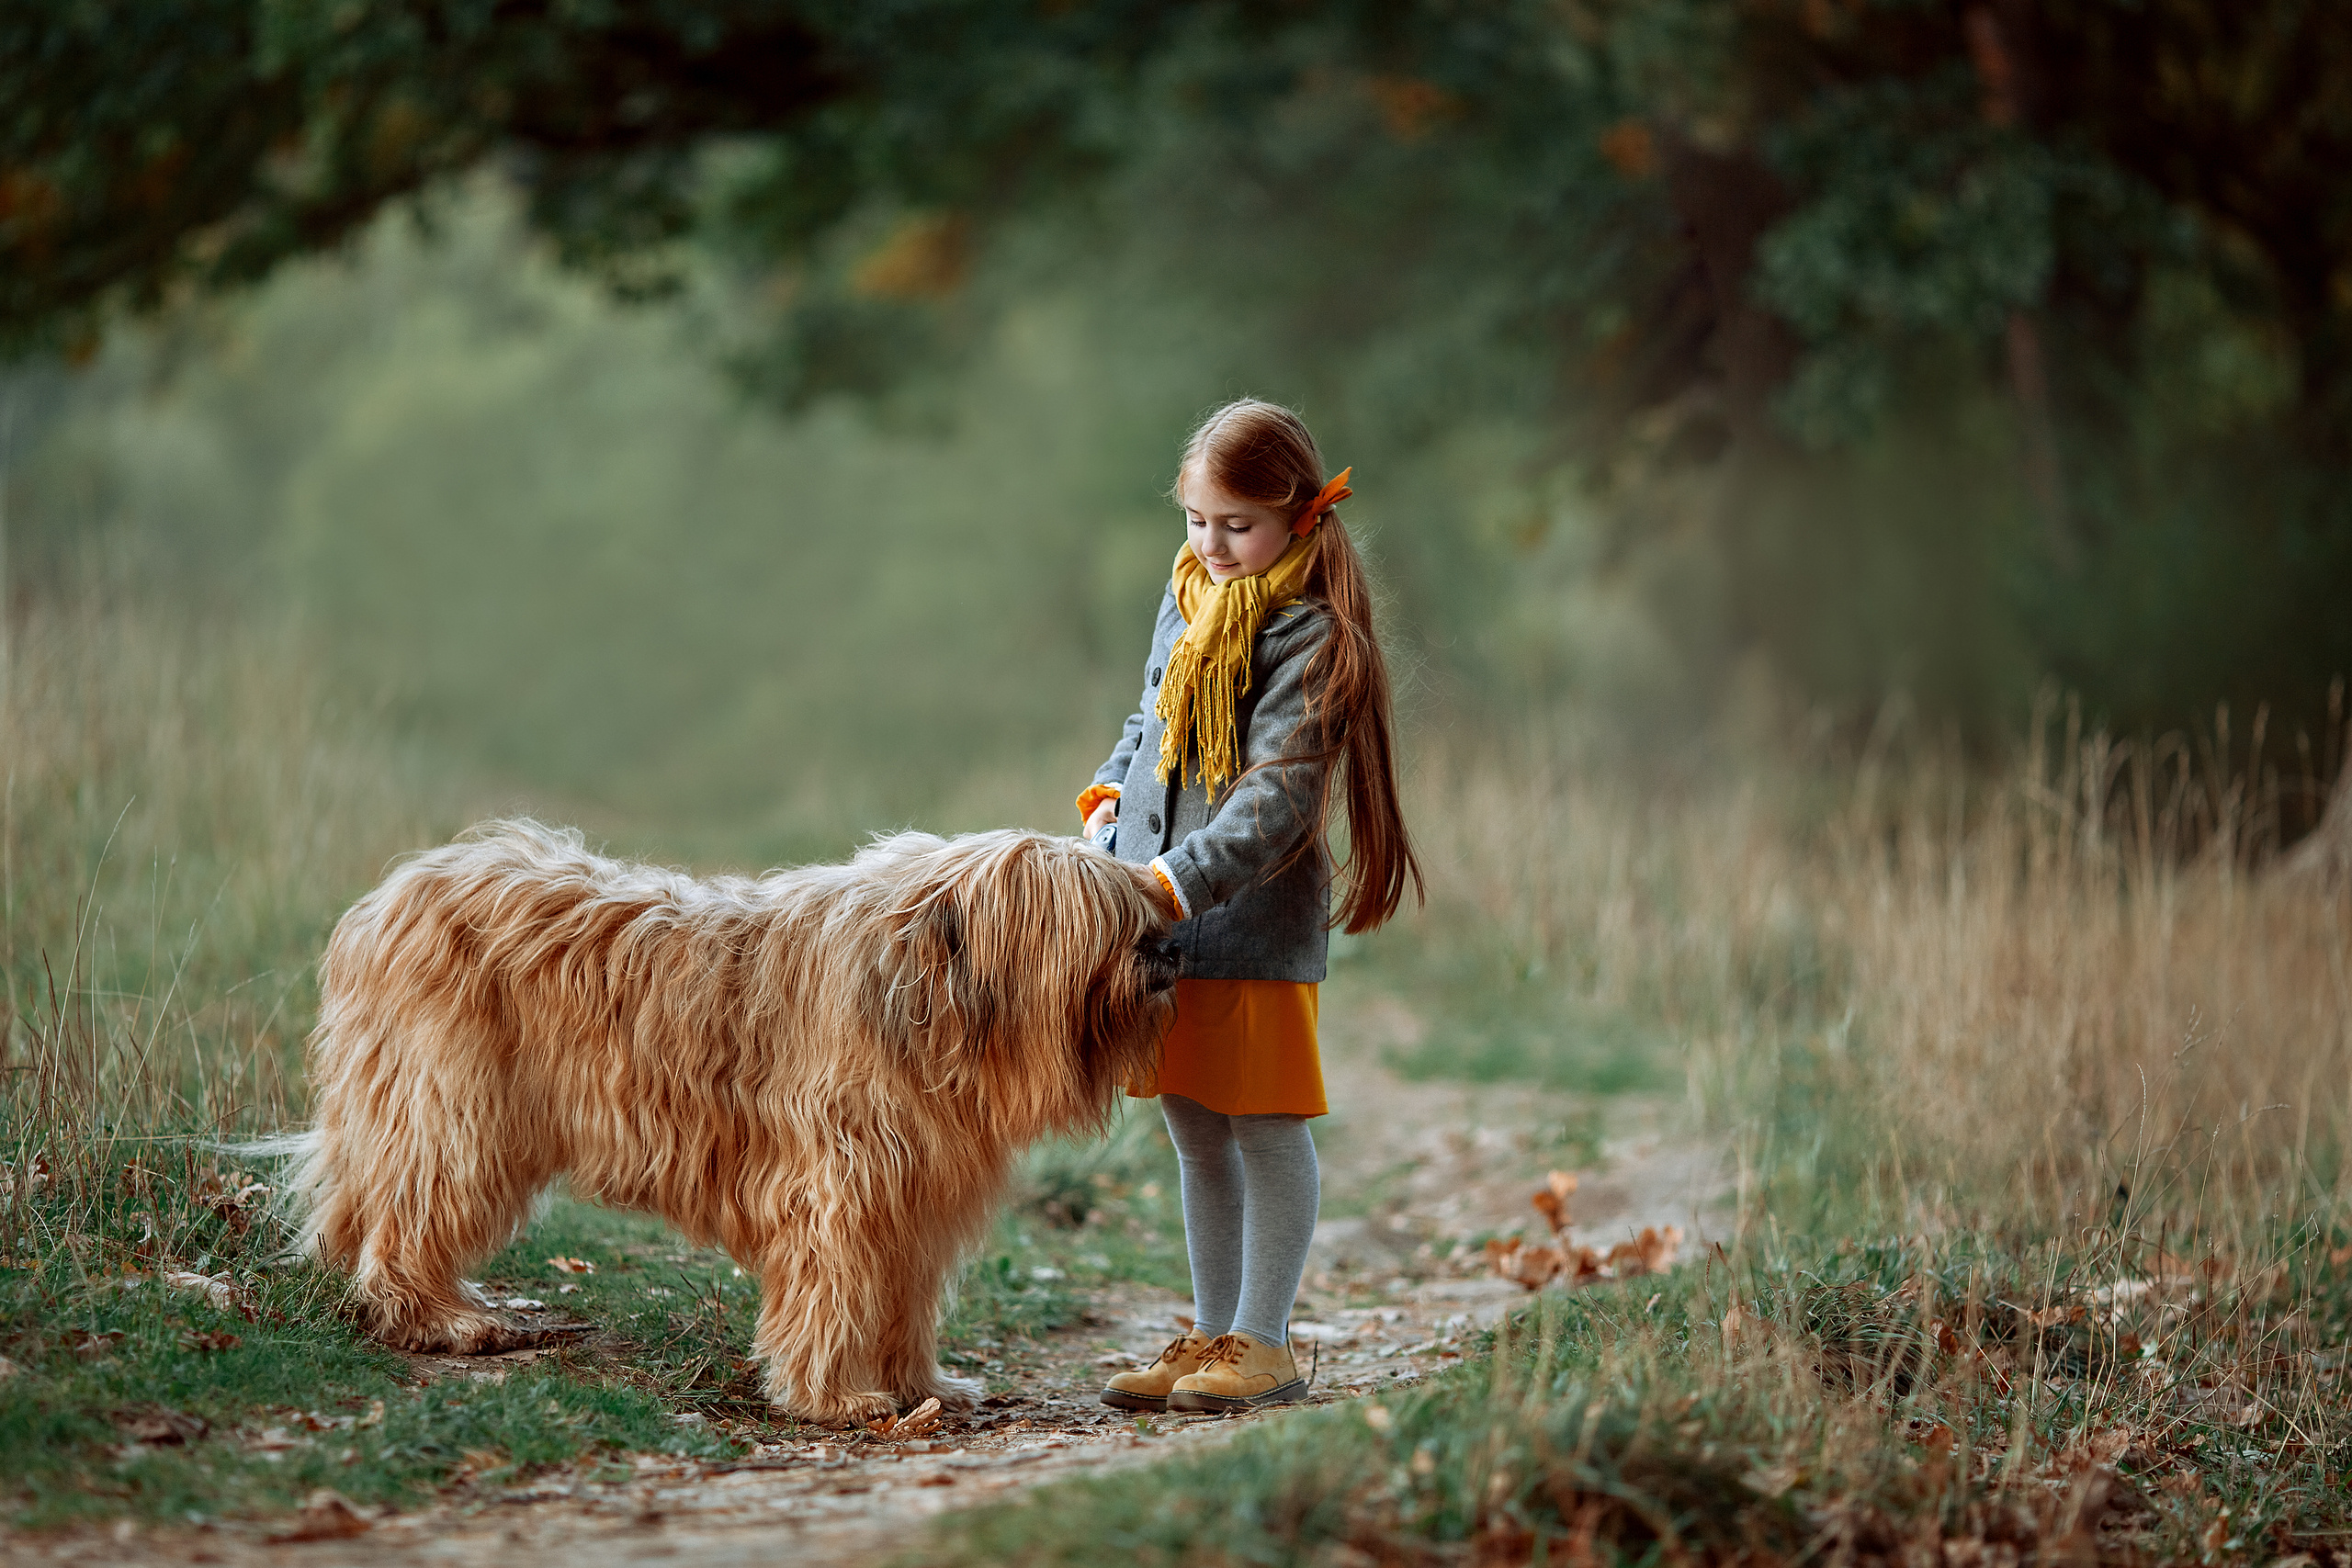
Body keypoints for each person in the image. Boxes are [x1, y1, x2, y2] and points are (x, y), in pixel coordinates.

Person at [1085, 398, 1421, 1414]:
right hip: (1158, 925)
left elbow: (1276, 800)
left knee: (1265, 1127)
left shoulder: (1311, 635)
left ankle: (1264, 1342)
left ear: (1296, 518)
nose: (1213, 543)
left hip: (1244, 925)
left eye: (1237, 524)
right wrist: (1105, 813)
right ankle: (1210, 1327)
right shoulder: (1185, 598)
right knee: (1193, 1130)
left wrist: (1172, 880)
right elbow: (1148, 727)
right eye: (1197, 520)